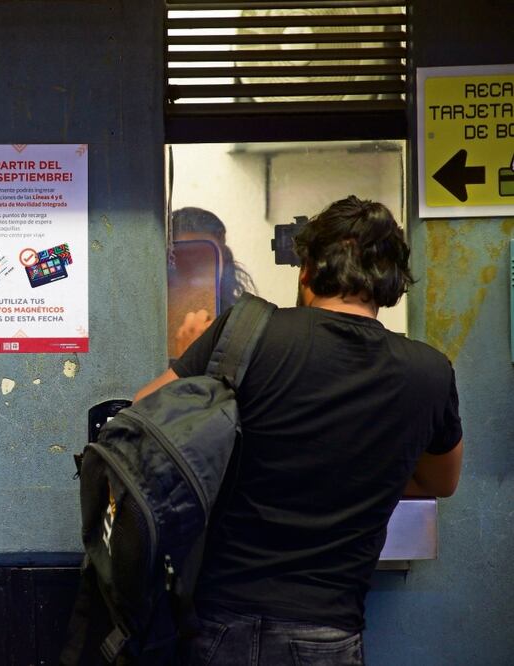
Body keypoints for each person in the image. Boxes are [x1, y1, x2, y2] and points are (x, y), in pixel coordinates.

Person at [137, 196, 463, 665]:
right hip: (326, 631)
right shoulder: (428, 372)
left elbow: (144, 418)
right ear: (392, 283)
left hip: (216, 622)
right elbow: (441, 482)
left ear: (306, 269)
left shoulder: (248, 334)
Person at [168, 207, 256, 359]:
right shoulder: (152, 317)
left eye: (203, 260)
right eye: (180, 259)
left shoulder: (239, 322)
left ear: (223, 260)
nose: (192, 272)